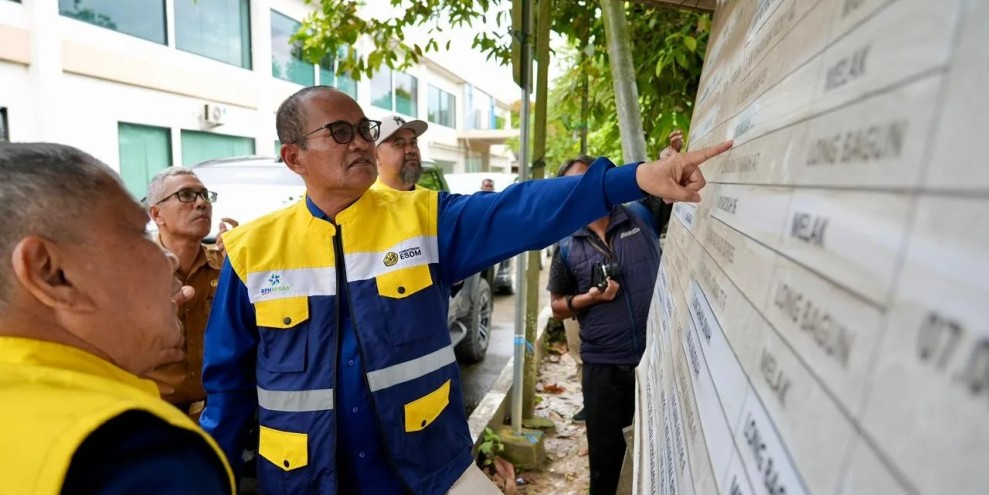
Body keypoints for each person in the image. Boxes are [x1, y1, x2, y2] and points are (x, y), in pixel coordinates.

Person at [199, 85, 730, 495]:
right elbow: (229, 390)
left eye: (364, 129)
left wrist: (634, 179)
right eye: (341, 132)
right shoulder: (251, 251)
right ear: (294, 158)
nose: (361, 141)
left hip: (426, 471)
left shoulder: (425, 218)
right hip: (303, 480)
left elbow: (524, 210)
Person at [0, 143, 235, 494]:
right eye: (139, 233)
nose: (166, 261)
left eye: (204, 195)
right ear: (52, 272)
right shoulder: (139, 453)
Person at [548, 155, 665, 495]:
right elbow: (557, 306)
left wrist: (670, 161)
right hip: (604, 369)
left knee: (656, 451)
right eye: (576, 185)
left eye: (594, 180)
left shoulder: (642, 215)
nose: (587, 190)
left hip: (656, 359)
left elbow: (674, 190)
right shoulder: (568, 245)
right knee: (606, 463)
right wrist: (592, 298)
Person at [145, 167, 237, 420]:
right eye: (186, 195)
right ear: (157, 214)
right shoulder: (134, 272)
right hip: (155, 414)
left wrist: (244, 264)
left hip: (221, 412)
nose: (201, 204)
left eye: (205, 195)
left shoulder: (227, 263)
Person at [372, 113, 428, 191]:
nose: (411, 150)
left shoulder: (433, 200)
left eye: (413, 143)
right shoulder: (365, 201)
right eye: (399, 144)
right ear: (376, 155)